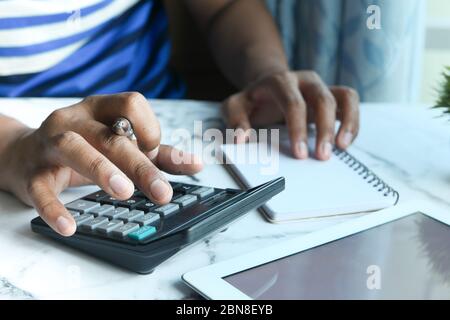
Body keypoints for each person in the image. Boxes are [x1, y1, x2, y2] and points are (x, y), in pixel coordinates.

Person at [0, 0, 359, 237]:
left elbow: (226, 7)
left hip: (166, 131)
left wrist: (266, 72)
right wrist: (15, 150)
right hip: (29, 152)